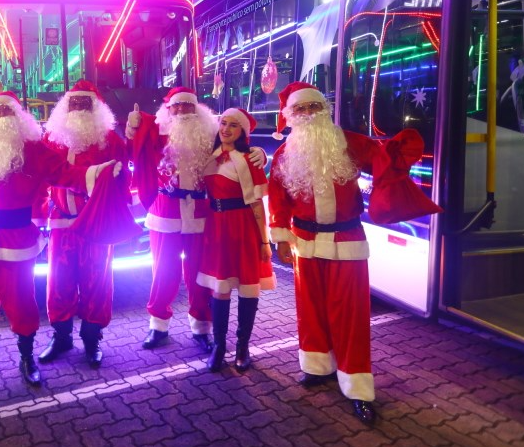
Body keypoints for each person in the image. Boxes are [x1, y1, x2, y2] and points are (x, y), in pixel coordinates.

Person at [0, 82, 117, 387]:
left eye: (7, 111)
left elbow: (68, 175)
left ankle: (26, 358)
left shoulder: (36, 150)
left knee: (21, 301)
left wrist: (101, 173)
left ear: (19, 118)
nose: (2, 117)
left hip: (16, 238)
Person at [267, 81, 435, 425]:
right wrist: (280, 238)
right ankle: (317, 366)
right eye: (301, 109)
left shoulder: (352, 143)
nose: (309, 114)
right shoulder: (285, 154)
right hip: (305, 241)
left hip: (346, 240)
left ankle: (357, 388)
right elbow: (278, 198)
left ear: (325, 111)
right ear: (291, 116)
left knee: (351, 316)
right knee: (310, 309)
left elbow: (385, 159)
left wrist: (402, 148)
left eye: (314, 107)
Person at [126, 87, 265, 352]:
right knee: (163, 272)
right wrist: (132, 128)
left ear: (197, 109)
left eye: (188, 106)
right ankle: (158, 326)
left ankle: (202, 327)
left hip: (201, 213)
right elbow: (133, 145)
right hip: (165, 211)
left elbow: (236, 144)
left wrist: (259, 151)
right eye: (176, 107)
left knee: (199, 274)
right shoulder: (156, 133)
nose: (181, 111)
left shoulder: (210, 134)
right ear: (168, 110)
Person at [38, 80, 128, 369]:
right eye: (73, 103)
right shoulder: (51, 139)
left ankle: (92, 339)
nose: (77, 108)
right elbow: (40, 178)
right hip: (61, 221)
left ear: (96, 107)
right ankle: (62, 337)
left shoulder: (110, 140)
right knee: (59, 281)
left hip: (96, 224)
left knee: (97, 281)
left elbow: (123, 178)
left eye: (84, 103)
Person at [196, 108, 274, 373]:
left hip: (243, 228)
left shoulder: (247, 160)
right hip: (216, 228)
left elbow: (256, 205)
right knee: (220, 288)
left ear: (243, 132)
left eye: (233, 126)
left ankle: (242, 346)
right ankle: (219, 346)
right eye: (223, 123)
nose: (226, 129)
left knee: (246, 287)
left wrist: (265, 242)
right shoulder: (210, 156)